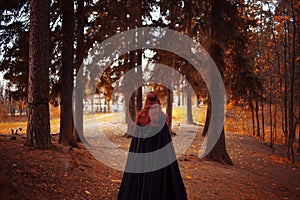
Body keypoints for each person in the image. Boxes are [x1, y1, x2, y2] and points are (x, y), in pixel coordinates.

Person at [117, 91, 187, 200]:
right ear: (157, 100)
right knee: (157, 181)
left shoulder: (141, 117)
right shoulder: (162, 118)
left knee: (140, 180)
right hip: (157, 159)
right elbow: (165, 143)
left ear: (146, 101)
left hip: (142, 157)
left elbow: (137, 142)